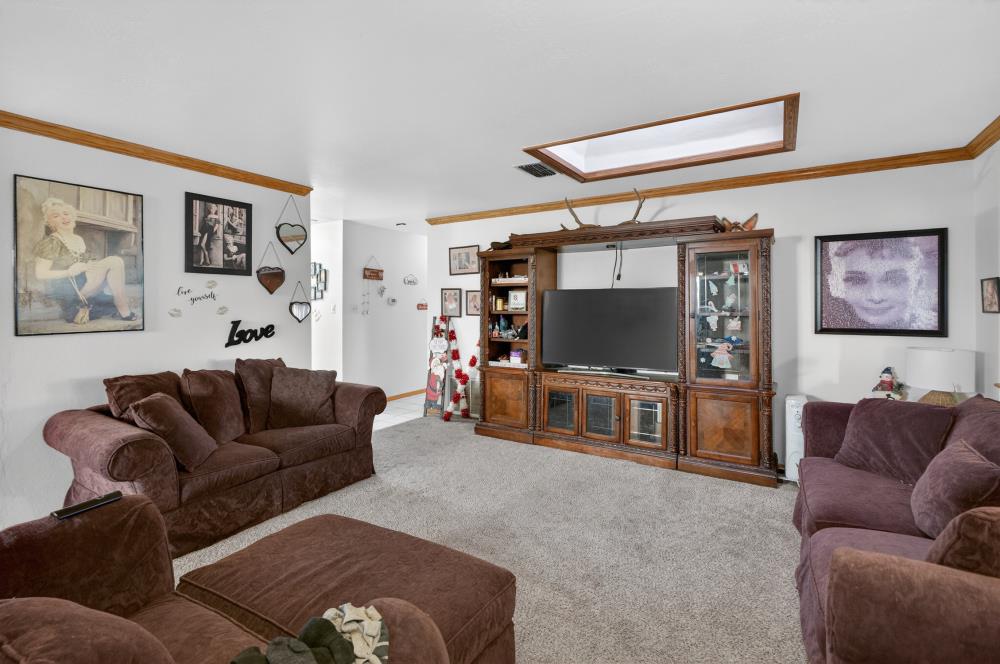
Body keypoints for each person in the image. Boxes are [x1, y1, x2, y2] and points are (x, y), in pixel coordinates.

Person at [32, 197, 136, 323]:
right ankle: (123, 310)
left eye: (66, 213)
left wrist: (90, 265)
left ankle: (121, 307)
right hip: (69, 290)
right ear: (50, 222)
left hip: (85, 284)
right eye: (56, 216)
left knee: (115, 261)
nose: (64, 217)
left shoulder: (78, 239)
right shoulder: (50, 242)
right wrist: (69, 272)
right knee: (114, 261)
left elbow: (84, 264)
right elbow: (40, 274)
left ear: (73, 216)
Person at [826, 237, 937, 330]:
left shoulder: (933, 326)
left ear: (919, 283)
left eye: (894, 280)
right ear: (836, 284)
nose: (875, 297)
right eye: (857, 280)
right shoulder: (829, 322)